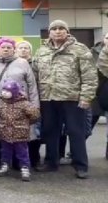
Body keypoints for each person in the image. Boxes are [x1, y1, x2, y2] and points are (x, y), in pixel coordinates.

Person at [37, 20, 97, 179]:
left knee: (76, 131)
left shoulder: (79, 50)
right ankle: (51, 162)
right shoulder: (42, 51)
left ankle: (80, 165)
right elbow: (36, 74)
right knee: (50, 131)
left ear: (67, 32)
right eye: (54, 29)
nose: (58, 31)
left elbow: (90, 76)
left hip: (72, 98)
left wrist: (86, 97)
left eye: (61, 28)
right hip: (48, 98)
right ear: (49, 32)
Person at [0, 38, 39, 169]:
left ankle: (20, 162)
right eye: (3, 47)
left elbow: (32, 85)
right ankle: (0, 161)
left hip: (20, 105)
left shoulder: (22, 63)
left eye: (9, 47)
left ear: (13, 49)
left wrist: (34, 105)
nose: (6, 49)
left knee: (20, 132)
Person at [0, 81, 41, 181]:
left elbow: (35, 114)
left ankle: (25, 168)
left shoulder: (24, 103)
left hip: (20, 134)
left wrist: (26, 124)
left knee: (22, 152)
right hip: (4, 132)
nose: (4, 93)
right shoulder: (1, 102)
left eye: (8, 91)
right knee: (5, 151)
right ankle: (4, 165)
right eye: (4, 91)